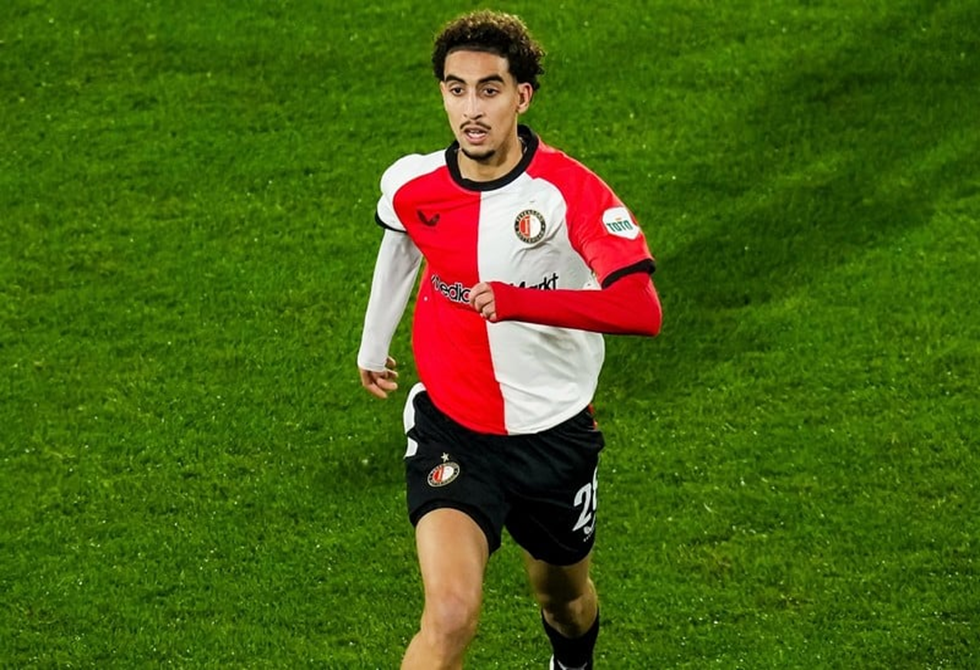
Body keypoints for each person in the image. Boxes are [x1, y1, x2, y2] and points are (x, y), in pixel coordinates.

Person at [356, 10, 662, 669]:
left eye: (489, 90)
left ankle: (572, 662)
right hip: (453, 426)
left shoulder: (571, 193)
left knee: (563, 600)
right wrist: (372, 342)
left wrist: (521, 302)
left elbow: (641, 309)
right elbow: (402, 233)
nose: (471, 109)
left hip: (554, 434)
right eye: (456, 89)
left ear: (522, 97)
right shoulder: (413, 182)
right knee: (449, 615)